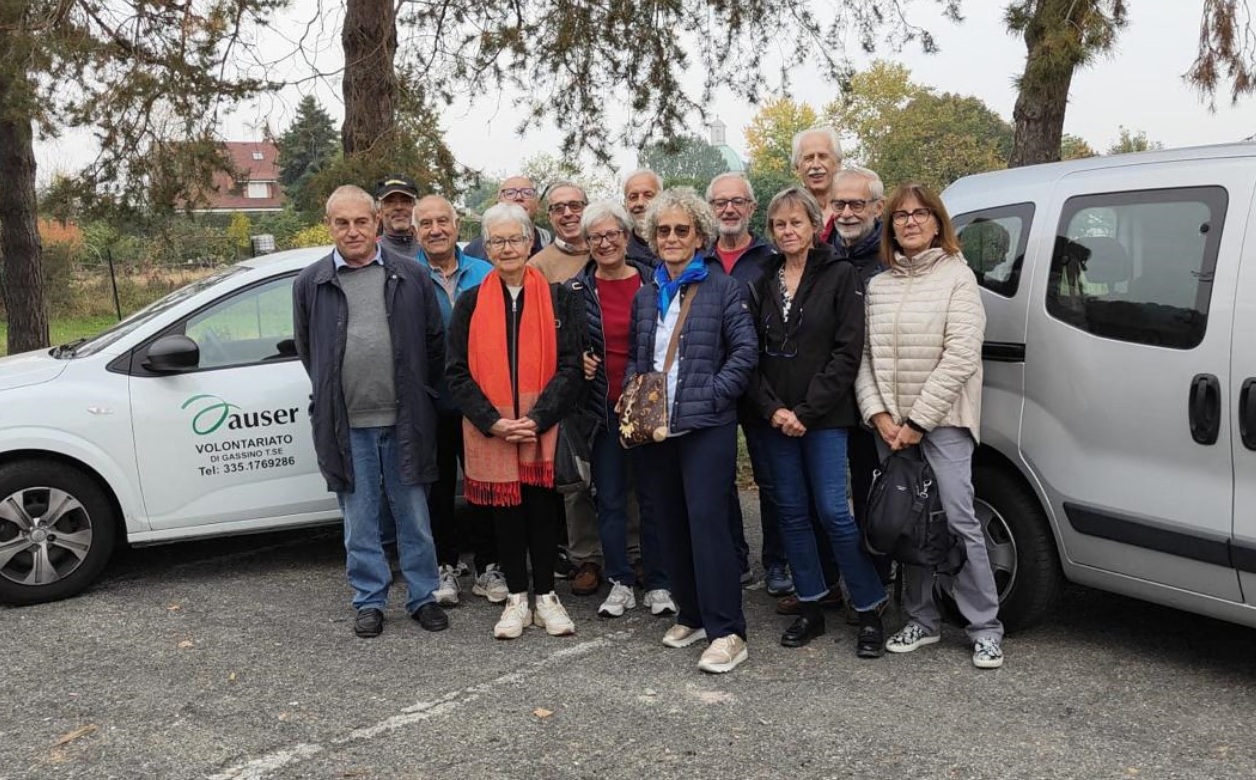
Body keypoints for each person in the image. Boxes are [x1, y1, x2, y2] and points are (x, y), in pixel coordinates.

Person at [855, 182, 1004, 669]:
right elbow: (866, 359)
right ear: (890, 225)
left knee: (959, 520)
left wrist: (918, 421)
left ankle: (985, 626)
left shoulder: (958, 278)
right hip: (891, 429)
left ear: (938, 222)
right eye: (901, 215)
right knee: (908, 525)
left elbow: (962, 354)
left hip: (942, 423)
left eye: (921, 214)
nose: (911, 222)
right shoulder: (879, 285)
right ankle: (921, 620)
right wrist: (878, 415)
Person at [292, 185, 448, 638]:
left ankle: (423, 596)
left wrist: (418, 391)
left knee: (414, 517)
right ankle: (369, 601)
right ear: (330, 227)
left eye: (361, 221)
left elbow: (433, 344)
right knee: (359, 522)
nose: (353, 231)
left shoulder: (410, 276)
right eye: (342, 223)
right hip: (347, 424)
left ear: (376, 222)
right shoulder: (311, 282)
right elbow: (310, 351)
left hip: (405, 419)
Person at [747, 186, 887, 656]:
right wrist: (772, 409)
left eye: (796, 223)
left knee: (832, 512)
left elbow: (849, 352)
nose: (788, 231)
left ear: (813, 228)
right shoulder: (763, 278)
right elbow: (750, 353)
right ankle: (810, 604)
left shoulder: (840, 274)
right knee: (791, 512)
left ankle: (868, 607)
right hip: (775, 417)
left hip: (824, 417)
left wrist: (805, 411)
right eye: (779, 224)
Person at [628, 188, 758, 674]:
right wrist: (632, 403)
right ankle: (693, 613)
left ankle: (728, 630)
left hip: (705, 425)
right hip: (657, 430)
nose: (672, 238)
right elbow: (640, 360)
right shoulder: (647, 294)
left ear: (700, 236)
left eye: (682, 230)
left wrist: (713, 396)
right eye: (663, 230)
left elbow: (745, 354)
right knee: (669, 523)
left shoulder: (724, 289)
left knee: (707, 523)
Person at [446, 202, 586, 640]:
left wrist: (537, 418)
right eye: (497, 240)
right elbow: (456, 372)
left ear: (530, 241)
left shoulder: (559, 296)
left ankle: (546, 595)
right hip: (494, 430)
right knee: (506, 514)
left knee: (543, 512)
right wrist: (494, 422)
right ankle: (516, 598)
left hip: (541, 428)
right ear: (486, 248)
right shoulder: (469, 304)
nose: (507, 248)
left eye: (515, 238)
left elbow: (571, 367)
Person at [566, 200, 675, 619]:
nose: (606, 242)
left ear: (627, 238)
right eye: (596, 237)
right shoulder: (577, 291)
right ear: (588, 244)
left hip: (648, 407)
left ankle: (661, 582)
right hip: (603, 409)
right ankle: (620, 580)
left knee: (653, 497)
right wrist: (579, 358)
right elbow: (566, 346)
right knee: (609, 498)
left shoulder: (655, 281)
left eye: (613, 234)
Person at [704, 172, 791, 597]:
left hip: (762, 383)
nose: (729, 209)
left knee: (771, 478)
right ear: (710, 209)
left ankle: (777, 561)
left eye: (738, 201)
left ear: (752, 208)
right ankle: (735, 559)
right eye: (720, 202)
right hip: (711, 383)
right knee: (718, 480)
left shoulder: (771, 257)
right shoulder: (698, 258)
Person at [411, 195, 500, 607]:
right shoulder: (405, 276)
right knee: (438, 489)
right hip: (429, 403)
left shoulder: (485, 274)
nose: (435, 230)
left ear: (457, 225)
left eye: (442, 221)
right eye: (425, 223)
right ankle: (445, 565)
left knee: (484, 488)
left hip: (480, 403)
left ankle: (488, 567)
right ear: (415, 231)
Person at [527, 182, 603, 597]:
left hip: (610, 383)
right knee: (576, 479)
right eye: (559, 208)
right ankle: (585, 558)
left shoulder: (606, 247)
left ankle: (632, 551)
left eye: (576, 205)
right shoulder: (538, 265)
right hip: (565, 387)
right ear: (549, 216)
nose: (569, 214)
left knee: (620, 475)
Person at [827, 166, 893, 587]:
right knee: (833, 497)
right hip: (832, 395)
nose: (847, 213)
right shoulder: (823, 252)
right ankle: (835, 579)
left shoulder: (894, 254)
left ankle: (877, 578)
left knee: (879, 493)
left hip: (882, 394)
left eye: (857, 204)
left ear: (877, 207)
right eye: (839, 204)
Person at [464, 175, 553, 259]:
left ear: (537, 204)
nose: (519, 197)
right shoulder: (475, 251)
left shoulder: (551, 246)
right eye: (510, 193)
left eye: (527, 193)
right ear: (497, 203)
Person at [790, 126, 844, 241]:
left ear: (838, 164)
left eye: (823, 157)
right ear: (797, 167)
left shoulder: (854, 208)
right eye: (808, 158)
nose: (816, 165)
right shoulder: (788, 211)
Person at [374, 174, 420, 257]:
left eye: (405, 201)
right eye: (390, 202)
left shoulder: (431, 250)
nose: (399, 207)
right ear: (379, 211)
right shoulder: (371, 253)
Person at [622, 169, 661, 264]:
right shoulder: (620, 253)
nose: (640, 203)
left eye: (648, 195)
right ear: (625, 204)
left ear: (662, 199)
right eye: (633, 197)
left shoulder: (680, 246)